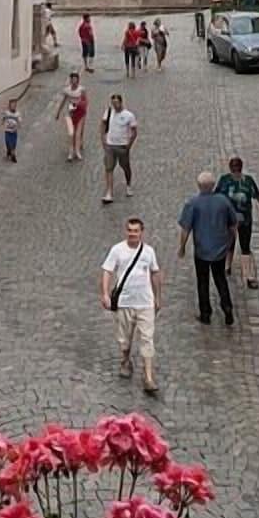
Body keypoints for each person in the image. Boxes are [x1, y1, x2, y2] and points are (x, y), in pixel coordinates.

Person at [100, 215, 161, 396]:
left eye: (136, 231)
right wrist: (104, 293)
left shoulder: (149, 252)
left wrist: (158, 297)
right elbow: (107, 271)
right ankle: (125, 360)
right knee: (125, 338)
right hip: (124, 302)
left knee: (147, 338)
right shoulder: (117, 250)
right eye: (129, 230)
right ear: (125, 231)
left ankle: (148, 376)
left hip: (145, 302)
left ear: (142, 232)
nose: (132, 234)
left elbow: (155, 273)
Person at [178, 171, 239, 326]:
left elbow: (186, 228)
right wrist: (231, 240)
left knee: (203, 281)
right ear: (213, 185)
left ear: (198, 186)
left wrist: (182, 247)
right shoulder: (223, 201)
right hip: (220, 249)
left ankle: (205, 313)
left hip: (202, 250)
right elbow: (233, 224)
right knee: (220, 279)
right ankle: (227, 307)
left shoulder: (193, 203)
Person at [216, 154, 259, 288]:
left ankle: (228, 268)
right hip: (242, 219)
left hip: (230, 220)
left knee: (231, 244)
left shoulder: (225, 180)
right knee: (243, 247)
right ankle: (248, 276)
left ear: (231, 168)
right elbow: (258, 196)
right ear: (241, 167)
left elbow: (216, 198)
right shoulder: (247, 181)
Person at [100, 91, 138, 205]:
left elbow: (134, 131)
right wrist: (103, 139)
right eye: (113, 103)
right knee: (109, 168)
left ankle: (128, 184)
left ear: (121, 102)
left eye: (117, 103)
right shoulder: (109, 112)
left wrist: (129, 145)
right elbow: (102, 124)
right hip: (110, 145)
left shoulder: (129, 115)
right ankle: (109, 192)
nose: (115, 105)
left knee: (125, 166)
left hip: (122, 146)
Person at [54, 70, 89, 161]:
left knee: (77, 134)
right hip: (69, 113)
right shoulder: (66, 90)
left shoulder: (82, 90)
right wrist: (58, 112)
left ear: (78, 80)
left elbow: (85, 101)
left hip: (80, 113)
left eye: (75, 79)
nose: (74, 81)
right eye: (72, 79)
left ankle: (77, 151)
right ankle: (71, 151)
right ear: (70, 80)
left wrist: (82, 107)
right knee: (71, 133)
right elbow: (63, 101)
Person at [1, 98, 20, 163]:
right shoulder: (6, 112)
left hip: (14, 133)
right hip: (7, 132)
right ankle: (11, 153)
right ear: (9, 105)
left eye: (15, 105)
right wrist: (2, 124)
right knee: (8, 144)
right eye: (12, 105)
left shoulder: (17, 114)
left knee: (13, 145)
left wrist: (16, 128)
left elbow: (19, 123)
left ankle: (12, 155)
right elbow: (3, 118)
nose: (13, 106)